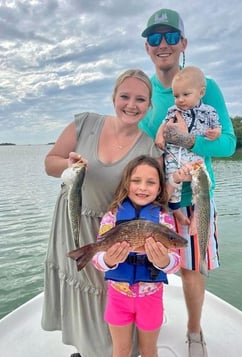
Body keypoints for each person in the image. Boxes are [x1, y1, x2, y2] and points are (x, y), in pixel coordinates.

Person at [41, 69, 163, 357]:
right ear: (113, 97)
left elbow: (156, 193)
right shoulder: (84, 124)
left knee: (109, 293)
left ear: (149, 106)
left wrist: (177, 211)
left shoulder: (150, 148)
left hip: (112, 231)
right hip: (71, 221)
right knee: (76, 286)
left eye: (140, 99)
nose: (131, 105)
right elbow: (50, 163)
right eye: (125, 96)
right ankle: (84, 349)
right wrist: (68, 166)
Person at [138, 8, 236, 357]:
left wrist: (189, 140)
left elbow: (228, 144)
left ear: (183, 43)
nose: (161, 44)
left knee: (193, 268)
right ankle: (145, 326)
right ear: (147, 47)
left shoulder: (204, 87)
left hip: (195, 192)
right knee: (146, 260)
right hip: (150, 194)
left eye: (169, 37)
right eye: (154, 38)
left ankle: (194, 333)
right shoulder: (142, 90)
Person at [91, 155, 181, 357]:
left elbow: (175, 261)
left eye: (151, 182)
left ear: (159, 189)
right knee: (121, 351)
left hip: (151, 297)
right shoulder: (112, 216)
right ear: (126, 184)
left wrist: (163, 261)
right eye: (136, 181)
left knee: (149, 350)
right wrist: (109, 260)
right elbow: (98, 259)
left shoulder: (163, 218)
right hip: (117, 297)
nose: (143, 187)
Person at [155, 66, 221, 226]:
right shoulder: (173, 110)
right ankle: (176, 210)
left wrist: (216, 132)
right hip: (173, 154)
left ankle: (199, 212)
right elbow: (163, 124)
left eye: (186, 94)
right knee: (172, 181)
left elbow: (217, 126)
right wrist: (159, 136)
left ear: (201, 93)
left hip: (195, 156)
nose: (180, 100)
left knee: (201, 182)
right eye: (176, 96)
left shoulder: (209, 111)